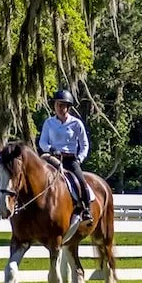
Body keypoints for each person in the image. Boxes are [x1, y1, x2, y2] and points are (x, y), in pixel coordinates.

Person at [38, 88, 93, 223]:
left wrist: (80, 158)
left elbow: (84, 144)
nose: (60, 108)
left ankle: (86, 210)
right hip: (52, 158)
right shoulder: (49, 123)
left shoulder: (76, 123)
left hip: (70, 160)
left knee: (81, 182)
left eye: (63, 105)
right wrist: (51, 149)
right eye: (58, 104)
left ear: (68, 107)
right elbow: (42, 142)